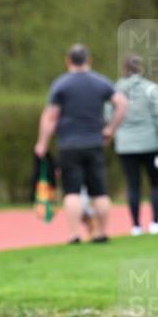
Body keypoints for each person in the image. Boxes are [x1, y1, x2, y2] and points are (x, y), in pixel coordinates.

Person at [34, 43, 127, 243]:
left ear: (68, 61)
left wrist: (42, 143)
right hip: (95, 143)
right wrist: (111, 129)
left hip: (69, 144)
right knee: (100, 191)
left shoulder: (61, 85)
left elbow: (51, 117)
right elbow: (122, 103)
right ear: (89, 60)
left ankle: (74, 234)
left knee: (72, 191)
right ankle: (102, 233)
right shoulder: (101, 82)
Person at [114, 54, 158, 235]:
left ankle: (136, 226)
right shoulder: (151, 89)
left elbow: (109, 117)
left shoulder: (115, 90)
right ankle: (155, 222)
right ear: (141, 68)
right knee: (156, 183)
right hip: (151, 144)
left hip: (125, 145)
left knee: (133, 185)